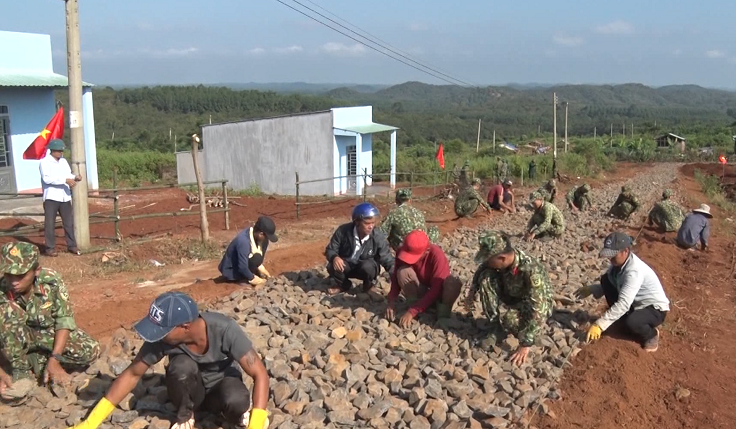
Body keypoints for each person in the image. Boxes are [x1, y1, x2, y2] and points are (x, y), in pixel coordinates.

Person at [69, 292, 270, 429]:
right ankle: (186, 416)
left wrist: (257, 423)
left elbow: (259, 373)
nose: (157, 335)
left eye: (162, 330)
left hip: (221, 386)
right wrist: (90, 423)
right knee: (181, 366)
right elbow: (132, 374)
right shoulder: (163, 340)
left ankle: (237, 414)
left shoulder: (224, 329)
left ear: (185, 327)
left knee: (236, 400)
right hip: (188, 391)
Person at [0, 242, 98, 389]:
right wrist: (2, 374)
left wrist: (55, 359)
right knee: (7, 312)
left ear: (36, 271)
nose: (14, 282)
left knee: (90, 351)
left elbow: (63, 320)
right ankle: (20, 371)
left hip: (45, 335)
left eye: (20, 275)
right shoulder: (2, 289)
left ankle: (37, 360)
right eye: (9, 274)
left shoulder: (51, 281)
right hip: (14, 341)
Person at [464, 231, 553, 366]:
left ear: (502, 258)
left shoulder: (530, 269)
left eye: (489, 259)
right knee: (486, 277)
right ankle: (495, 328)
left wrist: (526, 343)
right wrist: (472, 292)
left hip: (531, 303)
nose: (487, 262)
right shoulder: (501, 260)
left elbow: (539, 307)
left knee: (509, 319)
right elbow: (482, 268)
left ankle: (529, 331)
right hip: (512, 293)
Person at [575, 232, 670, 352]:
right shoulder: (618, 265)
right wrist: (592, 289)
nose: (610, 259)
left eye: (613, 255)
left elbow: (624, 303)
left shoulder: (633, 272)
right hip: (635, 303)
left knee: (632, 322)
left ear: (625, 251)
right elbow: (614, 284)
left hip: (654, 309)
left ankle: (651, 335)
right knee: (606, 280)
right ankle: (621, 320)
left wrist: (600, 325)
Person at [385, 230, 462, 328]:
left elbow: (437, 289)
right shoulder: (402, 251)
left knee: (453, 282)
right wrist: (391, 301)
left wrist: (412, 311)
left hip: (439, 295)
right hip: (422, 290)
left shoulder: (437, 255)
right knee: (403, 272)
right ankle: (414, 304)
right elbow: (396, 278)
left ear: (426, 251)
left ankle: (443, 315)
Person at [325, 203, 394, 295]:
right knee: (332, 266)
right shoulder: (343, 231)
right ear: (357, 222)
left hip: (365, 267)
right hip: (347, 265)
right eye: (367, 223)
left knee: (368, 266)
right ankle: (343, 285)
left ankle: (368, 286)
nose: (371, 226)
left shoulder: (377, 236)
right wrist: (334, 257)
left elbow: (386, 257)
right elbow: (330, 249)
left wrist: (395, 272)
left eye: (373, 223)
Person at [40, 139, 82, 256]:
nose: (60, 153)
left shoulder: (63, 162)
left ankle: (72, 245)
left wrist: (74, 177)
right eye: (58, 151)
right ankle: (50, 248)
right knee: (50, 223)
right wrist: (65, 180)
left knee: (68, 223)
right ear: (52, 151)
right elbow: (47, 179)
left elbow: (68, 174)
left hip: (65, 197)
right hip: (51, 197)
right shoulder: (44, 162)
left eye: (61, 151)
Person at [218, 216, 278, 287]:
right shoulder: (243, 241)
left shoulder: (260, 239)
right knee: (256, 258)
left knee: (258, 257)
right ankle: (243, 278)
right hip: (231, 270)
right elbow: (242, 267)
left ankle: (249, 273)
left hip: (243, 263)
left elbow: (258, 259)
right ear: (261, 234)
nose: (267, 239)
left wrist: (261, 269)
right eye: (266, 237)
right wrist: (253, 278)